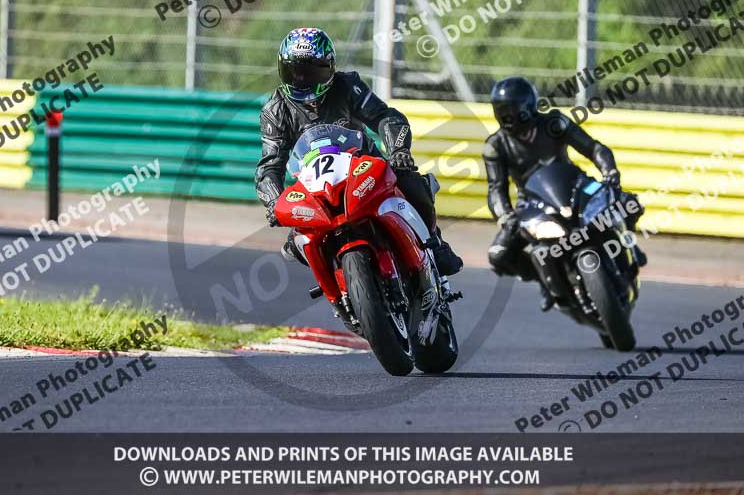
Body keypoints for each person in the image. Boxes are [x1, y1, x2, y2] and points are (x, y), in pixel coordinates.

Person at [255, 27, 463, 276]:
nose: (303, 80)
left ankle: (435, 244)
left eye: (311, 72)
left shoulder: (347, 86)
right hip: (315, 187)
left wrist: (398, 151)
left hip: (364, 168)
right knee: (295, 245)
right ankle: (339, 293)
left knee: (410, 181)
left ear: (329, 68)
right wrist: (273, 201)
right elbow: (270, 165)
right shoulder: (275, 110)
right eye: (294, 72)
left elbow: (386, 117)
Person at [482, 76, 646, 309]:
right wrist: (505, 216)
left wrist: (610, 173)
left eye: (512, 109)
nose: (507, 115)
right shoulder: (495, 146)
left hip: (576, 186)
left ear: (528, 105)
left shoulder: (555, 123)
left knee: (629, 203)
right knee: (498, 255)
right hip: (531, 204)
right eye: (501, 110)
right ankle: (545, 281)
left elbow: (594, 148)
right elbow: (496, 189)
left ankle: (629, 246)